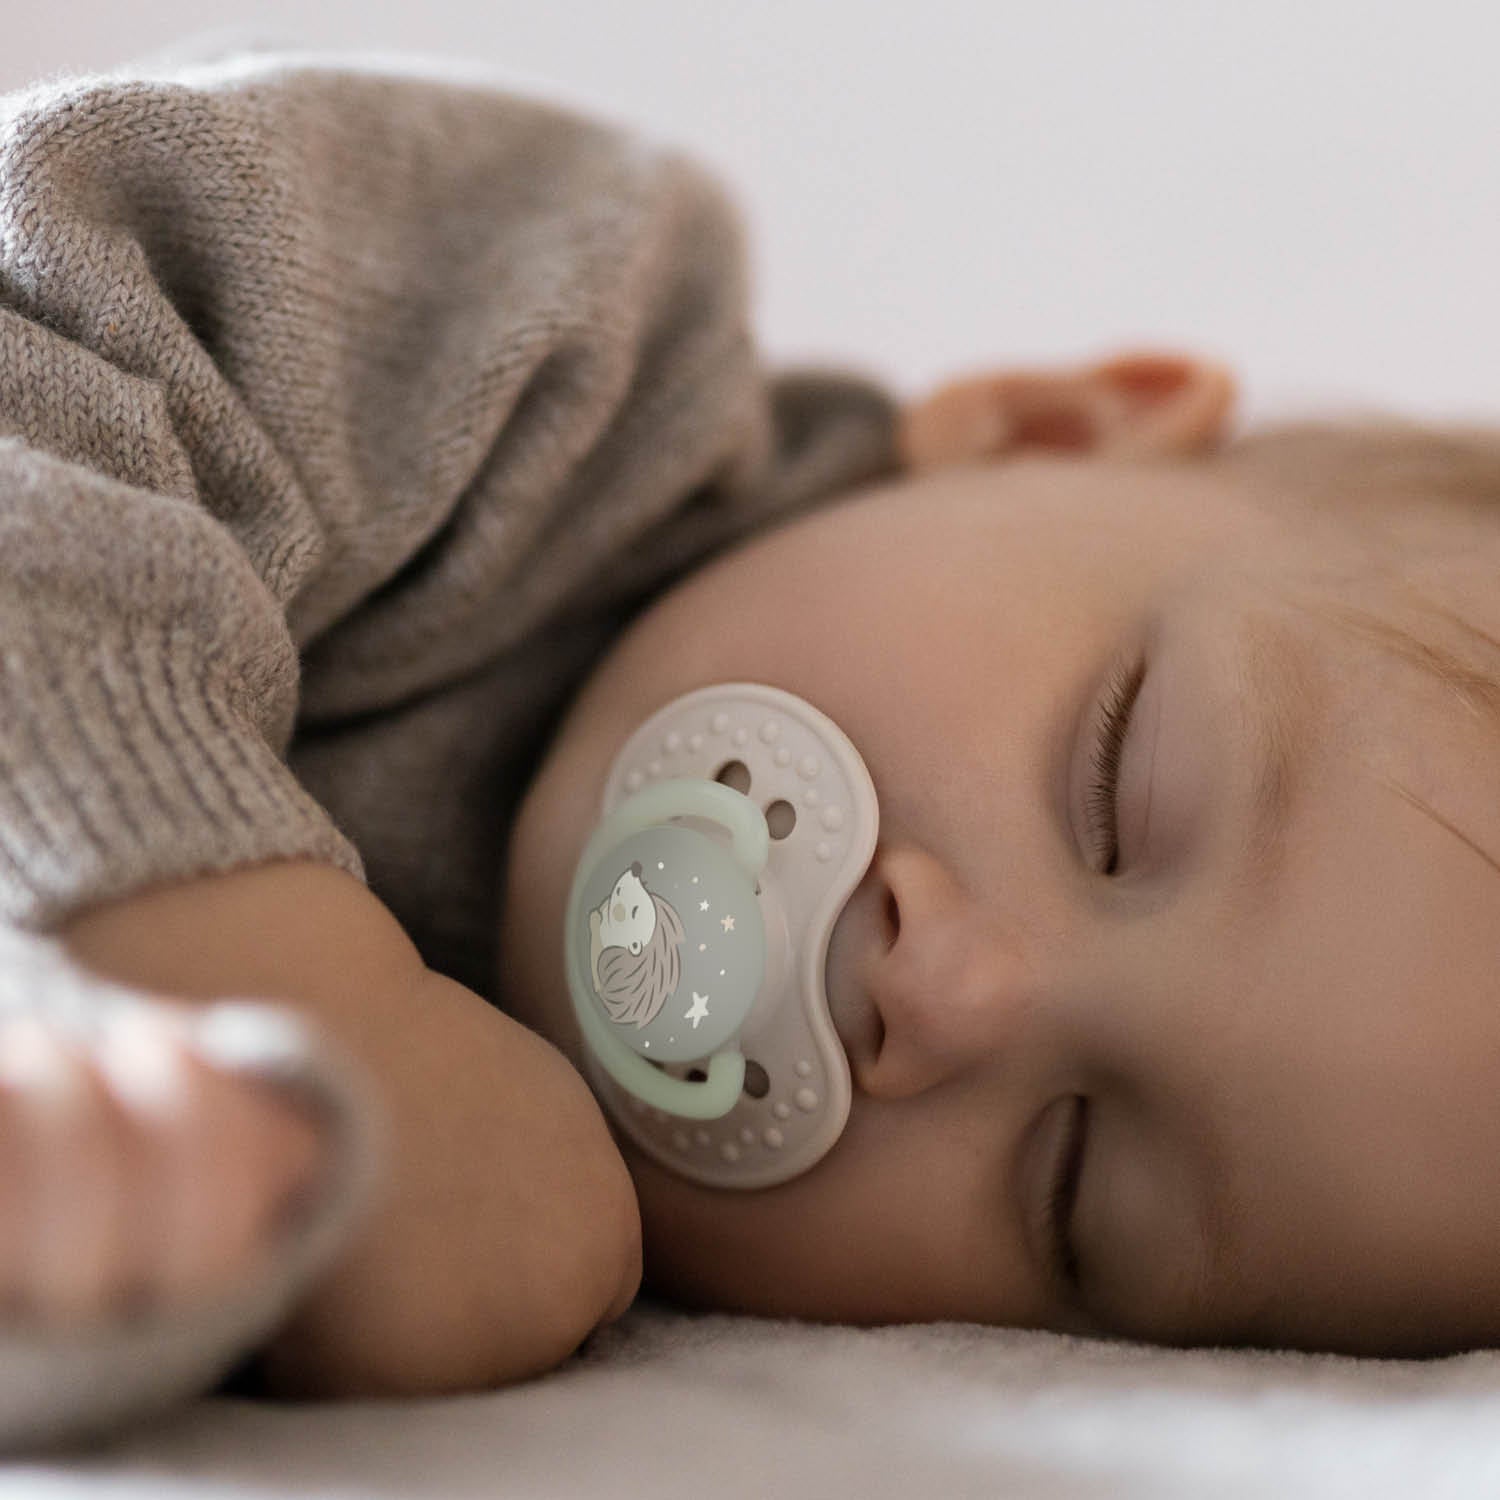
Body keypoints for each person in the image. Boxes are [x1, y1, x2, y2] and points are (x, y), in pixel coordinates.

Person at [2, 43, 1495, 1451]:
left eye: (1080, 1191)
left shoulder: (543, 1246)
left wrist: (206, 1222)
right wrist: (279, 969)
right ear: (1052, 430)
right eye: (1113, 786)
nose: (951, 994)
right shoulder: (560, 318)